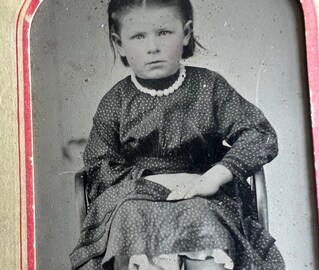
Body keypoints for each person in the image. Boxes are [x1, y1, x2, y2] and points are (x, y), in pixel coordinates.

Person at [70, 0, 285, 269]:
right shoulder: (117, 101)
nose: (152, 47)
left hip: (203, 193)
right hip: (136, 196)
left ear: (185, 33)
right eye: (138, 36)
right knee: (132, 217)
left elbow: (260, 133)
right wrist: (165, 181)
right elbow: (99, 166)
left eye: (163, 32)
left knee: (201, 214)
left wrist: (214, 177)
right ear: (119, 43)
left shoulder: (209, 86)